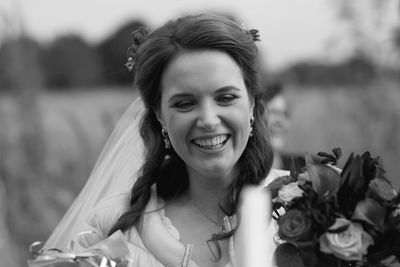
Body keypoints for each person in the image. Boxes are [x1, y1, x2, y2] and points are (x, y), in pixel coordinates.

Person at [44, 13, 287, 267]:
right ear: (160, 115)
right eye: (185, 103)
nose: (208, 120)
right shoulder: (112, 226)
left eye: (225, 98)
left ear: (251, 104)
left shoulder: (311, 206)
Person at [263, 81, 305, 170]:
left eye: (286, 114)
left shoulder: (305, 169)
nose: (280, 121)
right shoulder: (237, 175)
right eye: (274, 112)